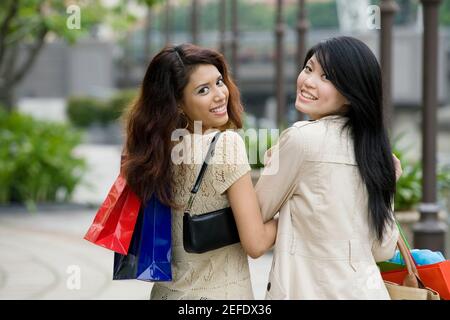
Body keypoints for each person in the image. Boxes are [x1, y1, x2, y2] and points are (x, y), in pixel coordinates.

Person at [122, 43, 277, 300]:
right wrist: (294, 212)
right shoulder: (225, 144)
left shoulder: (152, 151)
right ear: (179, 104)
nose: (220, 95)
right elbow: (256, 243)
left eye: (219, 82)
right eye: (203, 90)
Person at [255, 36, 401, 299]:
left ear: (351, 93)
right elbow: (383, 249)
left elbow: (256, 215)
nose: (309, 81)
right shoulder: (379, 155)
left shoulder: (301, 139)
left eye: (327, 77)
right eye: (309, 69)